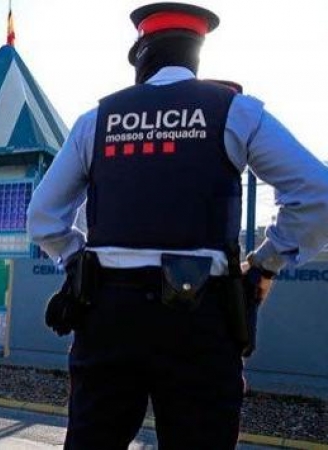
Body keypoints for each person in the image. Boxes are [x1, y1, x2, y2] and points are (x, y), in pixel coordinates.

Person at [26, 3, 328, 448]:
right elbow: (317, 193)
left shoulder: (98, 120)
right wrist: (265, 265)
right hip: (201, 315)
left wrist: (76, 263)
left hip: (109, 312)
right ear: (196, 55)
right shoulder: (236, 111)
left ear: (142, 53)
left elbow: (43, 217)